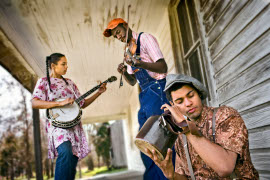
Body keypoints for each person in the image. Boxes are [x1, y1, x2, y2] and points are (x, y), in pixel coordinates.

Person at [146, 74, 259, 179]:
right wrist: (172, 175)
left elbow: (225, 168)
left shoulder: (225, 115)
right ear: (173, 106)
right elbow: (186, 177)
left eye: (191, 95)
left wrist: (187, 129)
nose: (188, 103)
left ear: (199, 93)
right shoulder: (181, 136)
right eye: (179, 101)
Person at [103, 18, 175, 180]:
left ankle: (169, 176)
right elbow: (134, 81)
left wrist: (140, 63)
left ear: (126, 26)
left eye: (119, 32)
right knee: (144, 142)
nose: (119, 37)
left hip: (158, 90)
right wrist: (124, 73)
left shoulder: (145, 39)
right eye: (116, 36)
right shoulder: (127, 52)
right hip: (144, 96)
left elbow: (162, 67)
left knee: (159, 140)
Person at [31, 53, 107, 180]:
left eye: (67, 64)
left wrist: (98, 93)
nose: (67, 67)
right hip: (57, 126)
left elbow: (82, 103)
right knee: (65, 151)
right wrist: (59, 103)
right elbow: (35, 102)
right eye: (63, 64)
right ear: (53, 66)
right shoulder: (43, 82)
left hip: (74, 126)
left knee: (72, 159)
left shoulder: (70, 83)